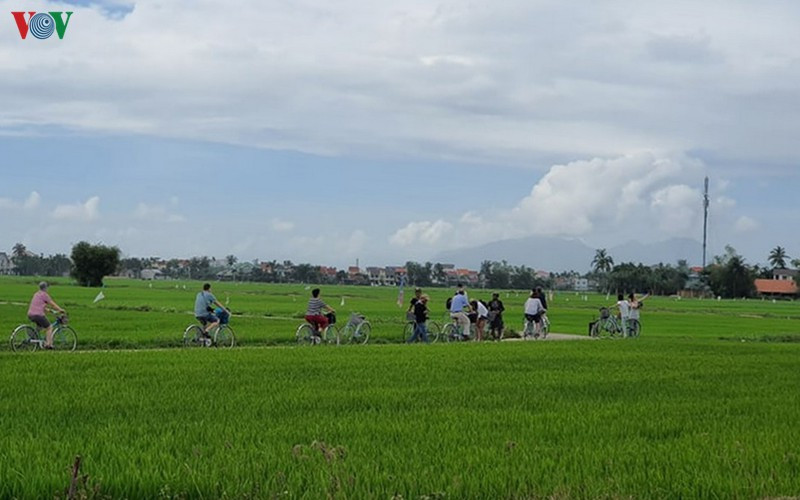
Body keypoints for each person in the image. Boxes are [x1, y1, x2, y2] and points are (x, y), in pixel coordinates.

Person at [27, 281, 66, 350]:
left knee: (40, 326)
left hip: (30, 314)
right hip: (38, 315)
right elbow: (52, 304)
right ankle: (49, 344)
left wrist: (50, 311)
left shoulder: (36, 294)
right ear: (46, 288)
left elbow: (40, 306)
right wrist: (60, 310)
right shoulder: (44, 295)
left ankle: (34, 336)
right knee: (49, 327)